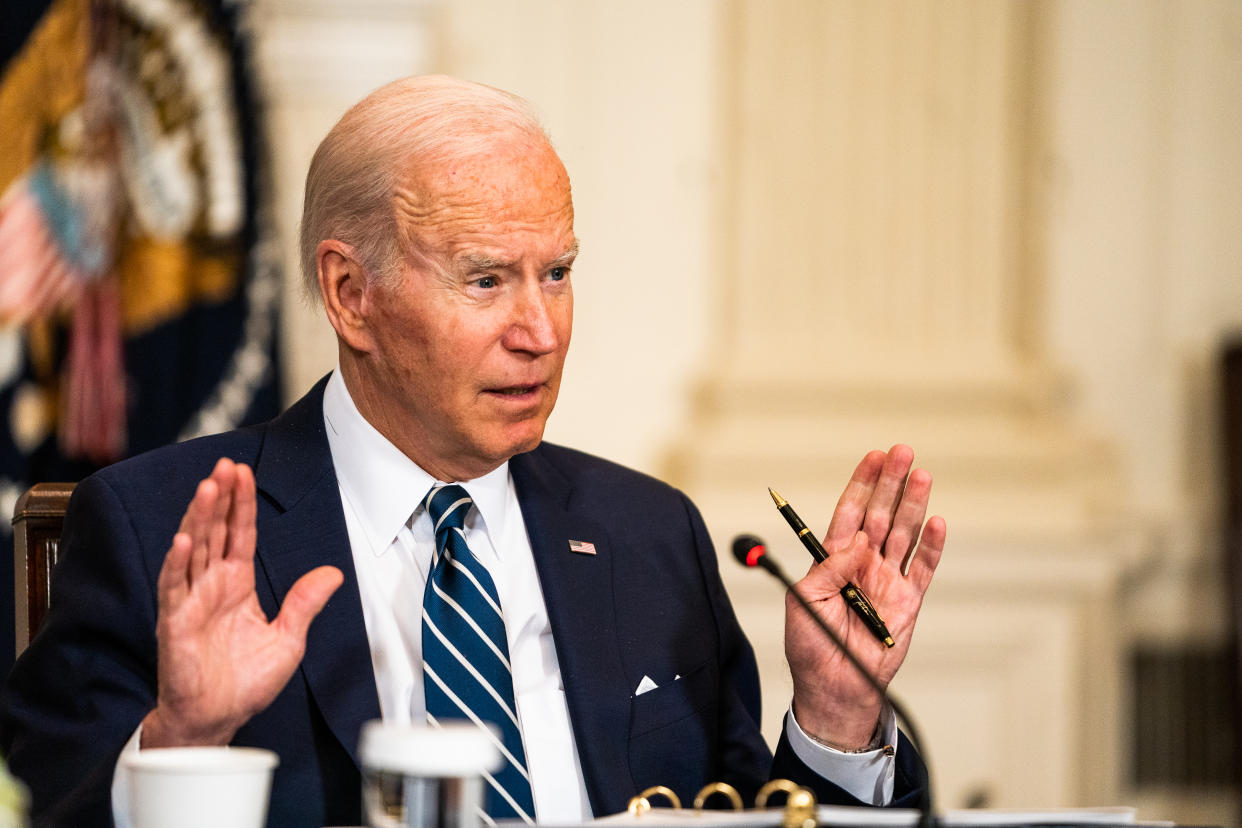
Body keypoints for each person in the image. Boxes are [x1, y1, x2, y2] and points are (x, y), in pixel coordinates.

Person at [0, 75, 946, 827]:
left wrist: (834, 714)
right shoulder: (161, 527)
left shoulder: (647, 534)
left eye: (559, 274)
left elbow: (755, 817)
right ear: (349, 294)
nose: (540, 329)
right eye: (486, 280)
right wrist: (182, 740)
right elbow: (54, 807)